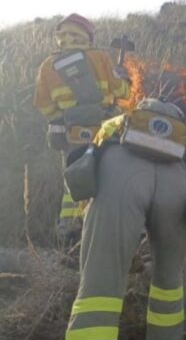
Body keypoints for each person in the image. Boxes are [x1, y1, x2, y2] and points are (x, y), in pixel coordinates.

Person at [62, 98, 186, 340]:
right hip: (178, 185)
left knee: (100, 284)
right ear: (178, 121)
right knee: (169, 286)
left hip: (119, 174)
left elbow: (89, 168)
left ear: (141, 112)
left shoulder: (117, 123)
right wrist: (181, 241)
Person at [33, 13, 131, 245]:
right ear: (87, 35)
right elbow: (122, 92)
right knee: (108, 178)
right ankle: (106, 234)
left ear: (61, 36)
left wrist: (62, 118)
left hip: (72, 135)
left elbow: (42, 103)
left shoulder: (48, 65)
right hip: (105, 132)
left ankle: (69, 237)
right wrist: (125, 80)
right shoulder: (99, 57)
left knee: (74, 183)